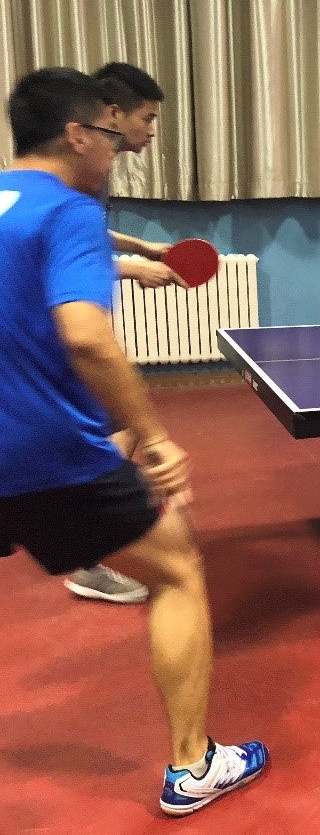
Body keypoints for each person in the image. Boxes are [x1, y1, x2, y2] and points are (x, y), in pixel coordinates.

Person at [0, 67, 268, 815]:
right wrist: (153, 436)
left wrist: (130, 262)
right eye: (111, 135)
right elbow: (86, 336)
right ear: (77, 134)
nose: (118, 149)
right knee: (177, 568)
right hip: (42, 450)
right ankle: (193, 765)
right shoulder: (71, 210)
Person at [65, 62, 181, 605]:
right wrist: (134, 269)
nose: (152, 130)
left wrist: (140, 246)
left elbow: (84, 232)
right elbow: (57, 247)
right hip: (52, 333)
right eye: (147, 118)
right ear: (113, 115)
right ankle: (90, 553)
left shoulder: (89, 168)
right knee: (123, 420)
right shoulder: (78, 166)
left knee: (113, 420)